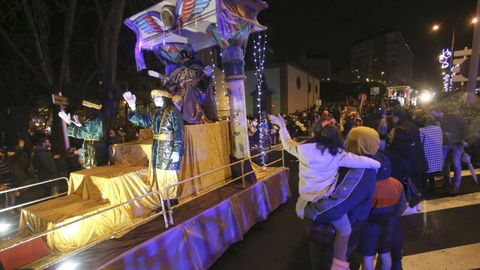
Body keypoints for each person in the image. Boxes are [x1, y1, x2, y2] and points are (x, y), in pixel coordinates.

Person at [269, 115, 380, 270]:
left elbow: (287, 144)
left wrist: (282, 127)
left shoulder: (302, 150)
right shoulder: (337, 154)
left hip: (307, 199)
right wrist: (376, 163)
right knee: (345, 230)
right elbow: (358, 160)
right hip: (325, 202)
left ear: (315, 133)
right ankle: (339, 264)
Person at [123, 89, 184, 204]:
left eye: (158, 97)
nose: (155, 100)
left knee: (170, 174)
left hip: (169, 148)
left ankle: (172, 201)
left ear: (165, 98)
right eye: (154, 98)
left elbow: (179, 132)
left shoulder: (173, 111)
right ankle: (164, 201)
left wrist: (177, 150)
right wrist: (132, 106)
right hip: (157, 148)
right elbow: (144, 122)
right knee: (160, 174)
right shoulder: (155, 113)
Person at [359, 154, 406, 270]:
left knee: (368, 257)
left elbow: (362, 210)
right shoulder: (396, 183)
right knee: (385, 254)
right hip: (390, 225)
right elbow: (402, 206)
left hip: (369, 226)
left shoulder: (368, 186)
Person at [431, 106, 468, 194]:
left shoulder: (454, 117)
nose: (432, 114)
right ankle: (447, 183)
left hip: (457, 143)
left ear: (439, 111)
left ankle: (455, 186)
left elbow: (464, 127)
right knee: (444, 164)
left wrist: (464, 139)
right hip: (447, 144)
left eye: (433, 112)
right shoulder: (438, 119)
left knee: (455, 164)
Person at [58, 100, 104, 169]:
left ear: (92, 110)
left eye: (87, 109)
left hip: (91, 146)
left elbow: (83, 133)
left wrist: (70, 123)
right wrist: (79, 125)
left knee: (91, 168)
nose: (85, 111)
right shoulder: (96, 120)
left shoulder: (92, 121)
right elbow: (86, 130)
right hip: (95, 145)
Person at [419, 116, 444, 192]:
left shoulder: (422, 131)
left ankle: (424, 187)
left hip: (427, 154)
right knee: (431, 171)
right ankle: (432, 187)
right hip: (437, 154)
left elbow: (419, 141)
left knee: (424, 171)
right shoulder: (439, 129)